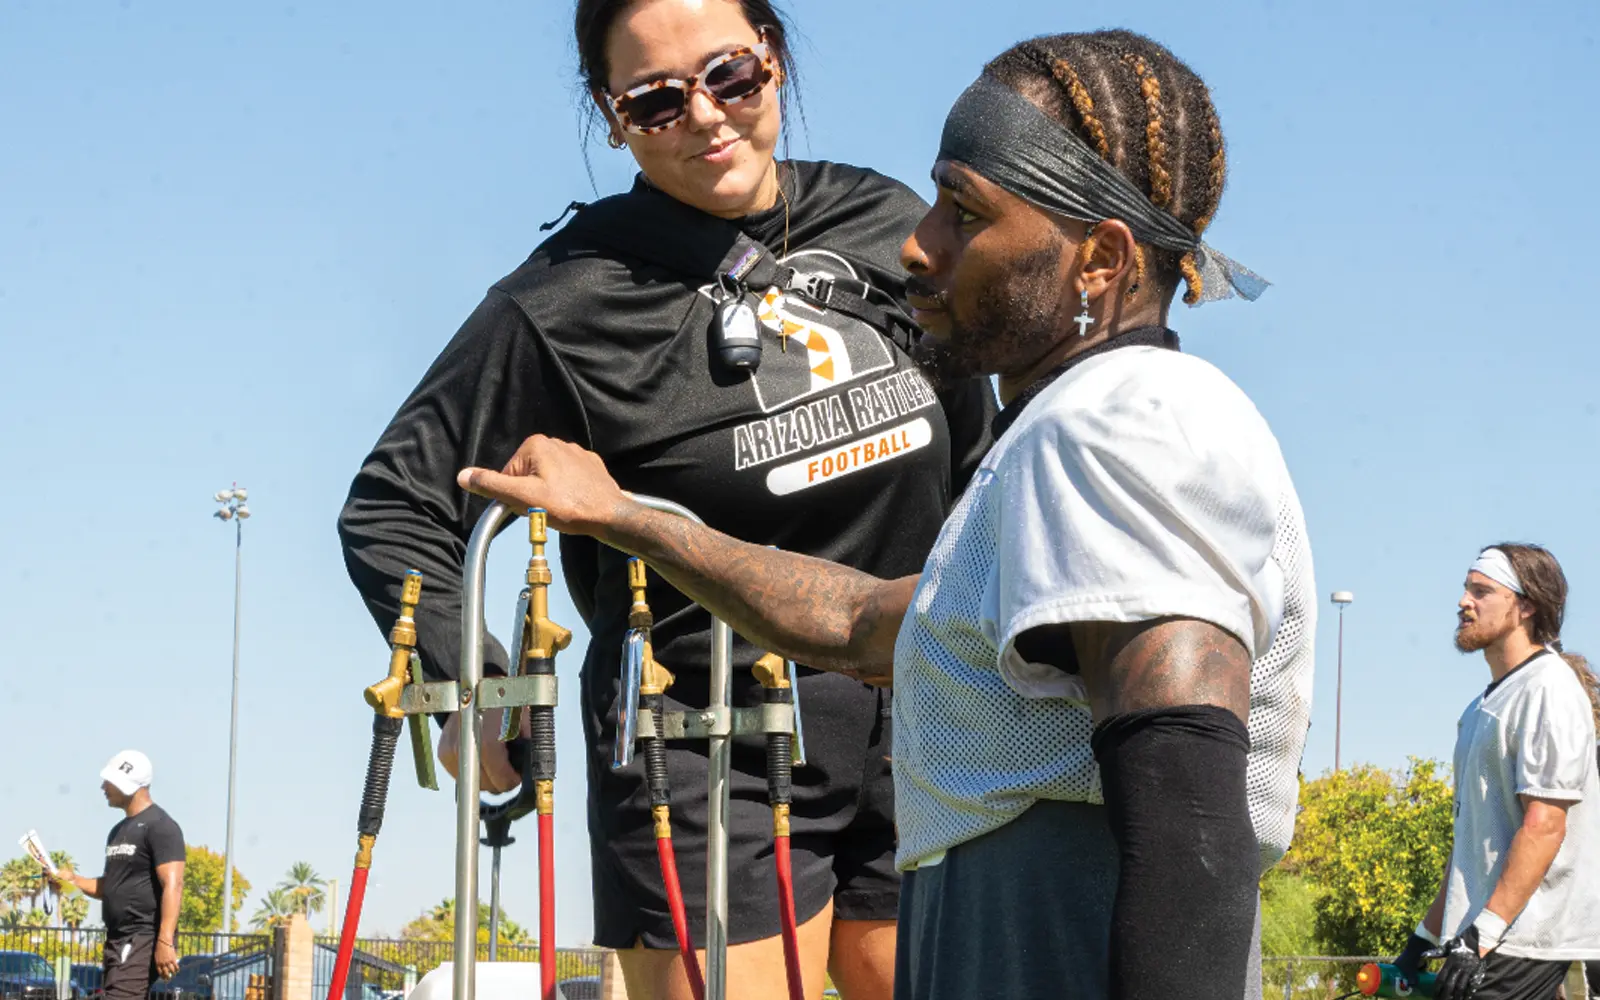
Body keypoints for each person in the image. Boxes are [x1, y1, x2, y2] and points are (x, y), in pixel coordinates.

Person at [457, 29, 1315, 1000]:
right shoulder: (1066, 443)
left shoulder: (1125, 429)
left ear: (1100, 258)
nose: (917, 242)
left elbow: (1186, 817)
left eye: (965, 214)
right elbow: (864, 624)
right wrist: (635, 520)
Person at [336, 1, 997, 997]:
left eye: (730, 75)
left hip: (923, 708)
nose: (705, 115)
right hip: (703, 736)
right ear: (611, 115)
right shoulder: (563, 299)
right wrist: (468, 677)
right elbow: (395, 499)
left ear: (771, 60)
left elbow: (982, 458)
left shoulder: (883, 224)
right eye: (655, 99)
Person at [1389, 545, 1600, 1000]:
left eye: (1481, 590)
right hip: (1488, 937)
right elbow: (1471, 851)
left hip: (1525, 939)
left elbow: (1545, 825)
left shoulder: (1549, 689)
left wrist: (1482, 933)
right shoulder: (1480, 709)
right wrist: (1422, 940)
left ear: (1525, 606)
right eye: (1466, 588)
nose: (1464, 600)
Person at [51, 751, 186, 1000]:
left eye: (109, 781)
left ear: (129, 785)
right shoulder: (117, 831)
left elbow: (174, 884)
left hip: (141, 936)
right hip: (117, 938)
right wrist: (73, 881)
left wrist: (165, 941)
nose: (103, 786)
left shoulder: (161, 826)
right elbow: (110, 886)